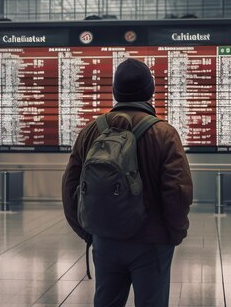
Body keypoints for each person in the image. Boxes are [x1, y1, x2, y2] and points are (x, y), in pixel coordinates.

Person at [62, 58, 193, 307]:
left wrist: (88, 232)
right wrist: (173, 234)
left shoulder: (91, 131)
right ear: (150, 91)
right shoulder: (164, 134)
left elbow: (70, 187)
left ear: (115, 91)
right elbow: (178, 191)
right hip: (152, 241)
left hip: (105, 239)